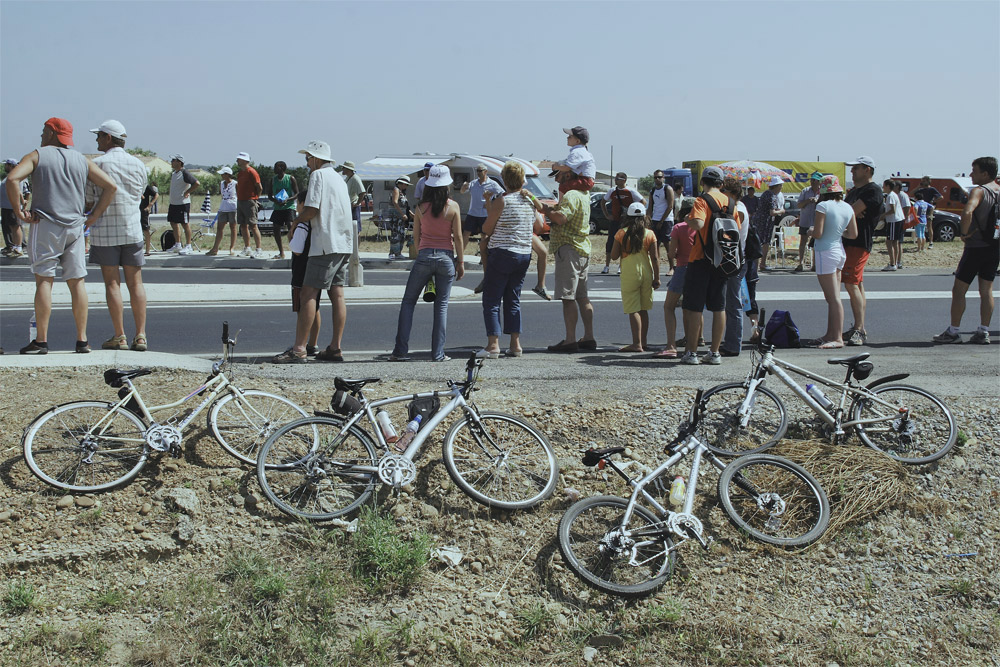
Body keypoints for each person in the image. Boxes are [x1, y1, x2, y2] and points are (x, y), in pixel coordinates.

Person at [5, 117, 117, 354]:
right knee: (77, 282)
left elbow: (13, 178)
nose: (41, 136)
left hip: (46, 224)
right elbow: (110, 186)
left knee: (44, 280)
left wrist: (20, 211)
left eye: (44, 131)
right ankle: (82, 340)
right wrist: (94, 215)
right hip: (76, 227)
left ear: (52, 133)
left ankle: (42, 340)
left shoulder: (38, 155)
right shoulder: (81, 159)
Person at [271, 140, 353, 363]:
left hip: (325, 242)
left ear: (316, 158)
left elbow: (312, 208)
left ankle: (299, 349)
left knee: (308, 293)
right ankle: (335, 347)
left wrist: (296, 222)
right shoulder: (339, 178)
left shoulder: (318, 176)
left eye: (308, 158)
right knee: (337, 294)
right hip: (344, 243)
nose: (307, 163)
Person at [85, 120, 150, 352]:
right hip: (132, 229)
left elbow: (90, 199)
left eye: (99, 136)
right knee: (136, 283)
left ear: (108, 138)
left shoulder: (97, 164)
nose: (97, 140)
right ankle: (140, 334)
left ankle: (120, 335)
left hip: (104, 231)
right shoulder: (138, 164)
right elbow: (141, 193)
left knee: (112, 283)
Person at [390, 165, 464, 362]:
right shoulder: (453, 207)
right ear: (447, 185)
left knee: (408, 302)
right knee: (441, 306)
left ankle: (400, 351)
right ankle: (438, 353)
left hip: (424, 256)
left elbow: (416, 236)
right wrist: (461, 261)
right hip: (446, 257)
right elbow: (457, 236)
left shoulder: (420, 208)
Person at [932, 156, 999, 345]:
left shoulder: (979, 191)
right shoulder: (999, 190)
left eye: (974, 170)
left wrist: (963, 233)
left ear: (985, 173)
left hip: (976, 246)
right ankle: (984, 331)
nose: (970, 174)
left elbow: (968, 211)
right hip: (994, 246)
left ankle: (953, 331)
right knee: (986, 289)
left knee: (959, 289)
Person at [680, 166, 736, 365]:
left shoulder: (702, 200)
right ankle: (714, 353)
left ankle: (692, 353)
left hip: (701, 258)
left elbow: (698, 224)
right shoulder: (730, 202)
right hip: (723, 259)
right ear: (721, 184)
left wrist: (688, 219)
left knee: (695, 307)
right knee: (718, 307)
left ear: (703, 182)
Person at [479, 161, 534, 358]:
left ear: (504, 179)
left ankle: (493, 344)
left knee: (492, 299)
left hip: (503, 252)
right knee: (513, 299)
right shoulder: (529, 201)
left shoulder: (502, 201)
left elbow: (487, 228)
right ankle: (515, 344)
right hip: (524, 253)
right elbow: (539, 224)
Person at [543, 168, 597, 353]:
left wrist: (545, 210)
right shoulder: (583, 193)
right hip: (582, 247)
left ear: (567, 175)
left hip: (569, 248)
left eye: (558, 176)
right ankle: (588, 336)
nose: (557, 181)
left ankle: (570, 339)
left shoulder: (571, 194)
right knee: (582, 296)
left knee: (568, 297)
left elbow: (561, 218)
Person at [807, 175, 858, 348]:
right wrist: (837, 233)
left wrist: (810, 231)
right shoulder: (847, 207)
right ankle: (831, 334)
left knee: (833, 298)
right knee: (834, 297)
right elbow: (852, 234)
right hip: (839, 250)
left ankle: (837, 337)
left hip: (825, 252)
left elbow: (818, 233)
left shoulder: (823, 205)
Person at [842, 156, 882, 346]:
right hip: (848, 241)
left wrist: (850, 212)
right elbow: (847, 211)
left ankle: (859, 329)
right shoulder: (854, 192)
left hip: (859, 242)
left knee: (851, 283)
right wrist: (850, 211)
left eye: (856, 168)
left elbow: (848, 213)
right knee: (856, 285)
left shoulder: (873, 190)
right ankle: (860, 327)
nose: (852, 171)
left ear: (867, 170)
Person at [611, 202, 659, 352]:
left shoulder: (621, 233)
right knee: (644, 309)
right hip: (646, 271)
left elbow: (613, 256)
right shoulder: (650, 234)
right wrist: (657, 278)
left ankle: (636, 344)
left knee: (633, 310)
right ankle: (643, 342)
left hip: (630, 273)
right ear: (644, 217)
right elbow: (656, 258)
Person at [654, 199, 696, 359]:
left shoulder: (679, 228)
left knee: (669, 306)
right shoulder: (701, 227)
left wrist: (675, 254)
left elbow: (671, 253)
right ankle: (694, 341)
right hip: (697, 269)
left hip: (682, 268)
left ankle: (671, 345)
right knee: (691, 308)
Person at [720, 177, 751, 357]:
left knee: (733, 304)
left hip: (734, 260)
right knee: (730, 303)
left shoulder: (737, 210)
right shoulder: (740, 207)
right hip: (737, 259)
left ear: (731, 193)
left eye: (723, 192)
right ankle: (731, 342)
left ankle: (733, 345)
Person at [287, 190, 320, 356]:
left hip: (301, 271)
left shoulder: (301, 224)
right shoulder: (315, 223)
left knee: (303, 308)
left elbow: (297, 249)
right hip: (315, 266)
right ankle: (313, 343)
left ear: (302, 204)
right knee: (316, 307)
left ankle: (301, 343)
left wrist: (289, 236)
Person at [600, 172, 646, 275]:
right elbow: (602, 202)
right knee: (610, 242)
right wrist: (607, 215)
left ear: (624, 180)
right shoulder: (612, 191)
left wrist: (635, 215)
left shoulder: (630, 191)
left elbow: (643, 202)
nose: (615, 180)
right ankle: (607, 266)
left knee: (624, 242)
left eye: (618, 179)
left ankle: (621, 266)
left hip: (626, 222)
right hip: (615, 221)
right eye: (615, 178)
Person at [167, 154, 198, 254]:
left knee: (184, 224)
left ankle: (188, 245)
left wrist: (187, 191)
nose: (171, 162)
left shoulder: (184, 172)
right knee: (173, 222)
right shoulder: (174, 173)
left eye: (173, 160)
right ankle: (178, 244)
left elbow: (196, 183)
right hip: (173, 203)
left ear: (179, 162)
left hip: (182, 203)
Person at [752, 176, 784, 272]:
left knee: (758, 241)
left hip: (759, 220)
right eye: (780, 186)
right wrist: (781, 211)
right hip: (766, 222)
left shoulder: (765, 193)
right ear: (776, 186)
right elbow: (772, 212)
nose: (781, 188)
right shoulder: (772, 196)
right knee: (765, 242)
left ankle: (756, 265)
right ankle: (762, 263)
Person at [551, 126, 595, 195]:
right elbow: (567, 162)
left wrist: (557, 167)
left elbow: (567, 167)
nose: (567, 138)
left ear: (577, 141)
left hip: (584, 181)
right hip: (587, 180)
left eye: (570, 137)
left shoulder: (577, 152)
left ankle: (560, 204)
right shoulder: (583, 151)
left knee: (563, 186)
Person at [268, 160, 299, 259]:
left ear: (282, 168)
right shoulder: (273, 180)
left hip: (289, 207)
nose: (274, 169)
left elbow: (297, 193)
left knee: (291, 227)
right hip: (278, 207)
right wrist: (275, 200)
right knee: (276, 228)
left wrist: (287, 199)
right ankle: (281, 252)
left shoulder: (290, 178)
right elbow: (269, 195)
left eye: (276, 167)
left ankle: (295, 251)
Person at [235, 152, 262, 257]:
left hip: (250, 201)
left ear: (245, 160)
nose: (237, 161)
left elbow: (259, 187)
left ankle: (258, 249)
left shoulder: (252, 172)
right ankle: (247, 248)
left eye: (239, 159)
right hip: (241, 200)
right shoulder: (240, 173)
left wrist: (255, 199)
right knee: (243, 225)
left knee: (253, 225)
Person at [648, 169, 675, 272]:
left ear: (663, 178)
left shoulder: (667, 189)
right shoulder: (653, 191)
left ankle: (672, 267)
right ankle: (656, 267)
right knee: (655, 244)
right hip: (655, 219)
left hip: (666, 220)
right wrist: (648, 219)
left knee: (667, 243)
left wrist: (661, 221)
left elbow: (670, 206)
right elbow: (650, 207)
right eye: (655, 177)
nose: (657, 179)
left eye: (659, 177)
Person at [795, 172, 823, 272]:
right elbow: (798, 205)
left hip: (817, 221)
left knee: (816, 243)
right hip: (805, 220)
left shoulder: (822, 192)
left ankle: (815, 264)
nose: (812, 182)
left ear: (819, 182)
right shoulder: (805, 191)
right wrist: (807, 201)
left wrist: (817, 202)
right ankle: (801, 263)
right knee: (803, 241)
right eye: (811, 180)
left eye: (815, 180)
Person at [1, 158, 30, 257]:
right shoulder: (10, 176)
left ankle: (18, 247)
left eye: (6, 165)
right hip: (6, 206)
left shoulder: (16, 176)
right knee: (9, 227)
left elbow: (18, 191)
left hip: (12, 206)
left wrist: (22, 203)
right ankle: (12, 246)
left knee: (15, 226)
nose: (5, 167)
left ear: (11, 166)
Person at [207, 166, 238, 255]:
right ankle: (215, 248)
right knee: (220, 227)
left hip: (233, 207)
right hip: (223, 207)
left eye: (223, 174)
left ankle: (232, 248)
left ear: (228, 174)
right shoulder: (221, 183)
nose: (221, 176)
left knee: (233, 227)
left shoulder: (235, 184)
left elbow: (238, 195)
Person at [878, 178, 904, 271]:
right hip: (897, 220)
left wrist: (883, 216)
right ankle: (895, 262)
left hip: (894, 220)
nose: (883, 187)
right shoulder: (893, 195)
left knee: (889, 242)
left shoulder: (890, 196)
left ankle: (893, 263)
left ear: (888, 186)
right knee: (895, 242)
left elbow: (892, 210)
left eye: (884, 186)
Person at [913, 176, 942, 248]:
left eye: (923, 181)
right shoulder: (921, 190)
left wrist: (933, 201)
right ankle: (922, 242)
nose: (922, 182)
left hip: (928, 209)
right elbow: (911, 193)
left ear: (928, 181)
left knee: (929, 226)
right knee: (921, 226)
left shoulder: (932, 189)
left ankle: (931, 242)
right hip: (921, 209)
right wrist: (918, 187)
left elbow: (941, 197)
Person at [389, 176, 413, 259]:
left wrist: (410, 213)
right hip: (396, 217)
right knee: (395, 235)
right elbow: (395, 202)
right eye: (406, 184)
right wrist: (402, 213)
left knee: (401, 234)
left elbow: (405, 205)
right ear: (401, 183)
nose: (406, 186)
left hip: (401, 218)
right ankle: (392, 253)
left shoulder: (402, 192)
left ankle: (398, 253)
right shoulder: (396, 190)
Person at [340, 160, 364, 235]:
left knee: (356, 229)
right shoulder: (347, 178)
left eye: (344, 168)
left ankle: (356, 246)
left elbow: (362, 192)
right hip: (349, 207)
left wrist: (357, 203)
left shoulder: (355, 178)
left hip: (354, 207)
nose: (342, 169)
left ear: (348, 169)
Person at [139, 181, 157, 256]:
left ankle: (147, 250)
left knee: (146, 229)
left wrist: (150, 205)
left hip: (144, 210)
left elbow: (156, 195)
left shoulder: (146, 187)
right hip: (135, 210)